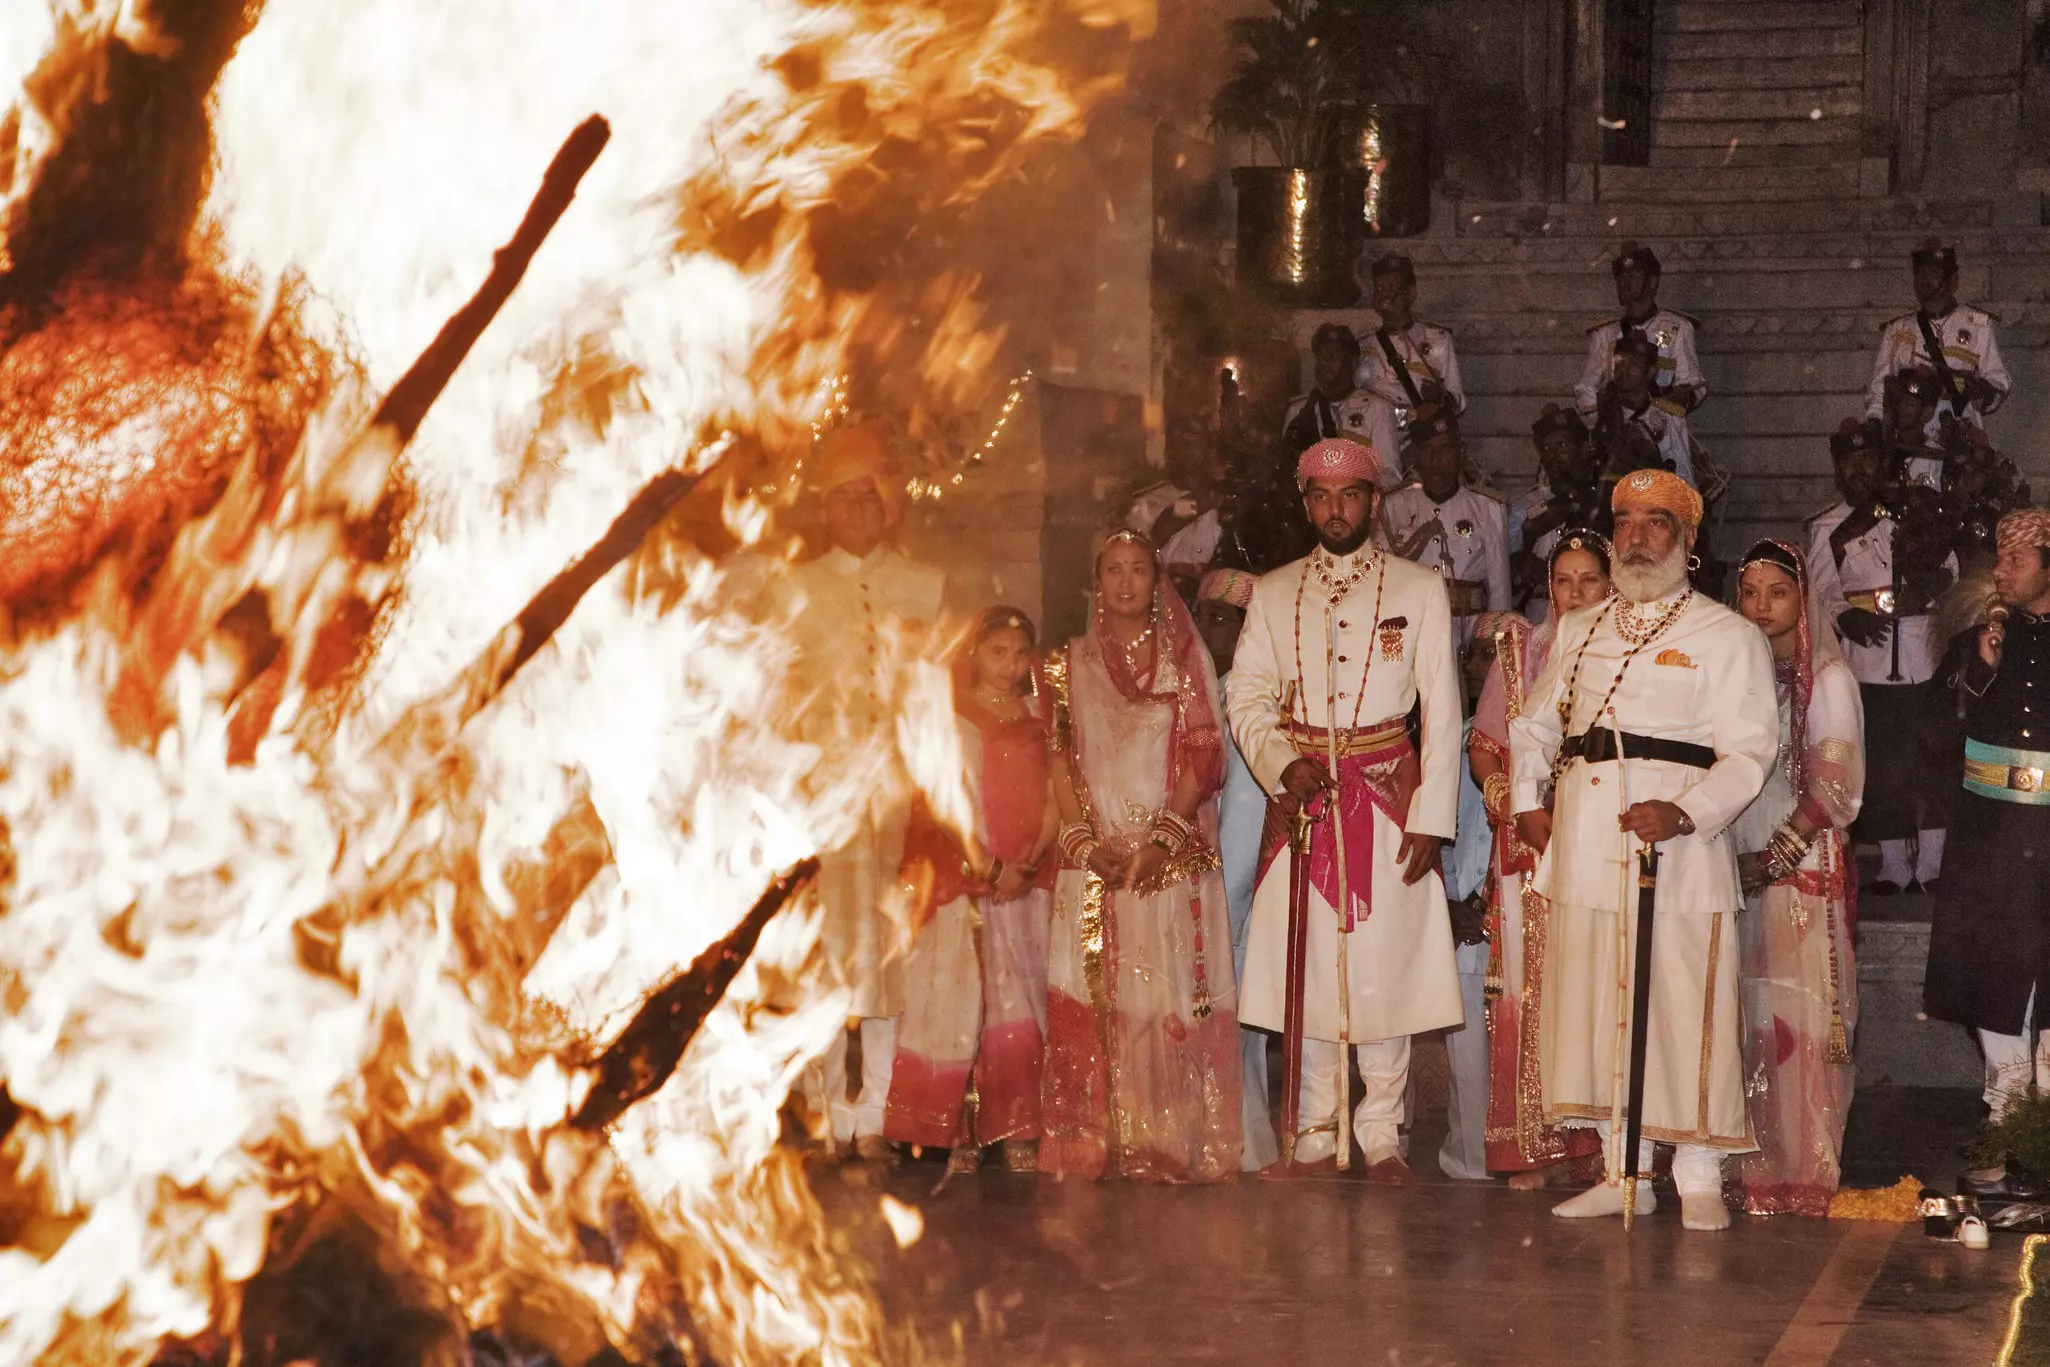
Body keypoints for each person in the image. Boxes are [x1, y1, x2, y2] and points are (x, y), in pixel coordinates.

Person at [1509, 469, 1778, 1231]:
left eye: (1656, 521)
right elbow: (1534, 728)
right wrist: (1530, 804)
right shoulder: (1578, 626)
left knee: (1679, 1003)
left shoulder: (1730, 635)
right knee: (1598, 1002)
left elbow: (1752, 753)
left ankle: (1696, 1171)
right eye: (1624, 519)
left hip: (1682, 852)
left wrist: (1688, 812)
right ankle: (1621, 1166)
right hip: (1588, 843)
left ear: (1687, 540)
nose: (1635, 535)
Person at [1228, 436, 1463, 1184]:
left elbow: (1445, 712)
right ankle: (1310, 1132)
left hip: (1389, 794)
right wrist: (1280, 764)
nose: (1337, 510)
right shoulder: (1273, 591)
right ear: (1307, 505)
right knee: (1309, 970)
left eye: (1351, 496)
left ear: (1373, 502)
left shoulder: (1420, 586)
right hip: (1303, 800)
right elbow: (1247, 697)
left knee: (1383, 964)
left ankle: (1382, 1133)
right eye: (1322, 498)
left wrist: (1432, 817)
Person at [1040, 530, 1242, 1181]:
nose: (1125, 582)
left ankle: (1162, 1143)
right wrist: (1082, 841)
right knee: (1093, 992)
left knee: (1162, 1000)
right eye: (1112, 571)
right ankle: (1090, 1141)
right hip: (1094, 859)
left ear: (1156, 581)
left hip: (1164, 861)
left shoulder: (1181, 662)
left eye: (1138, 570)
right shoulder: (1064, 664)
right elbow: (1057, 759)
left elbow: (1203, 756)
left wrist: (1162, 839)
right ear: (1096, 582)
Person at [770, 421, 948, 1160]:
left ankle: (873, 1117)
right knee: (820, 957)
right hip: (817, 797)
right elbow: (774, 695)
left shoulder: (923, 584)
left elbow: (935, 693)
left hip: (895, 798)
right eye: (841, 496)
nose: (856, 508)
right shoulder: (797, 589)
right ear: (824, 508)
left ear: (887, 503)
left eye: (867, 495)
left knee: (886, 955)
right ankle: (820, 1118)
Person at [886, 607, 1057, 1174]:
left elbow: (1057, 791)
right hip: (964, 877)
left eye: (1020, 653)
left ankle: (1014, 1128)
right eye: (997, 652)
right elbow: (942, 805)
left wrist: (1028, 863)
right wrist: (988, 868)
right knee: (954, 998)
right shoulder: (951, 718)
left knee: (1019, 1001)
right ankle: (947, 1131)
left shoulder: (1042, 713)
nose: (1010, 665)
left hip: (1026, 883)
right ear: (974, 654)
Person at [1469, 533, 1613, 1188]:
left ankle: (1601, 1148)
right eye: (1564, 580)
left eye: (1590, 580)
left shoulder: (1624, 654)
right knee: (1531, 993)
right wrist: (1509, 802)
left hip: (1601, 848)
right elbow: (1485, 745)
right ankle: (1534, 1146)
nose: (1577, 594)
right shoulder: (1519, 651)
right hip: (1528, 847)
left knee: (1596, 989)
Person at [1728, 541, 1865, 1217]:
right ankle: (1752, 1169)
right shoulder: (1735, 677)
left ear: (1801, 599)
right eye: (1749, 592)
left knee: (1799, 1022)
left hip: (1798, 867)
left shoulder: (1828, 677)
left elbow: (1835, 788)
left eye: (1776, 592)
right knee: (1750, 1019)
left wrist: (1771, 861)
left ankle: (1803, 1171)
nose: (1760, 607)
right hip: (1742, 867)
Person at [1925, 509, 2050, 1123]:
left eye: (2017, 561)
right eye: (1998, 559)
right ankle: (2006, 1114)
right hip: (1989, 836)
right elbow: (1931, 741)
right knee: (1991, 968)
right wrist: (1979, 672)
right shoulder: (1974, 643)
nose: (1999, 572)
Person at [1806, 419, 1954, 895]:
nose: (1860, 469)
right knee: (1883, 764)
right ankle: (1893, 863)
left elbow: (1951, 565)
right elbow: (1818, 589)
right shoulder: (1830, 526)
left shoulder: (1916, 512)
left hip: (1922, 653)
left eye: (1868, 458)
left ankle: (1931, 861)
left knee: (1932, 759)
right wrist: (1845, 615)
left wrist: (1931, 588)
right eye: (1850, 461)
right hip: (1868, 662)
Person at [1200, 566, 1285, 1170]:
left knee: (1237, 1005)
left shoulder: (1258, 698)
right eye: (1201, 616)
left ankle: (1245, 1140)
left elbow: (1251, 807)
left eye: (1222, 620)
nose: (1208, 630)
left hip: (1239, 876)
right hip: (1201, 872)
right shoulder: (1201, 688)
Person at [1378, 409, 1513, 653]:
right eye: (1427, 450)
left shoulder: (1488, 508)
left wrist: (1490, 651)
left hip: (1468, 639)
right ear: (1415, 457)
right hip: (1410, 636)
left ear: (1460, 453)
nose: (1435, 460)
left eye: (1444, 450)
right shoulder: (1392, 507)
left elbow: (1499, 591)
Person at [1865, 239, 2008, 432]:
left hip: (1958, 432)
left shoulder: (1978, 325)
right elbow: (1880, 388)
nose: (1925, 280)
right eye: (1919, 274)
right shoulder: (1898, 329)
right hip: (1910, 434)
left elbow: (1998, 380)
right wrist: (1876, 423)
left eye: (1933, 273)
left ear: (1954, 280)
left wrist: (1979, 390)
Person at [1575, 241, 1706, 425]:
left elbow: (1692, 385)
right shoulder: (1605, 335)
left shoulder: (1675, 328)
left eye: (1633, 275)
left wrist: (1656, 411)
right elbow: (1585, 387)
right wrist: (1605, 418)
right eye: (1620, 277)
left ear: (1652, 281)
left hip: (1664, 432)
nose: (1624, 282)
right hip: (1617, 428)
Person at [1356, 252, 1465, 465]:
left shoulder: (1437, 339)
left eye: (1391, 287)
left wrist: (1440, 397)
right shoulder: (1363, 346)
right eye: (1379, 288)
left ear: (1410, 294)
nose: (1384, 294)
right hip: (1377, 445)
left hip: (1422, 443)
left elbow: (1459, 400)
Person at [1512, 405, 1605, 621]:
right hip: (1538, 618)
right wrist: (1522, 562)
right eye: (1546, 449)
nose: (1554, 456)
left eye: (1562, 445)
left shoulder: (1603, 505)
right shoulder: (1523, 508)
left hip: (1591, 617)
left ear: (1583, 449)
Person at [1282, 323, 1402, 490]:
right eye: (1320, 357)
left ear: (1352, 363)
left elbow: (1391, 476)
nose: (1324, 363)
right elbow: (1286, 470)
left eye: (1332, 356)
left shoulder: (1377, 409)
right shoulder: (1299, 411)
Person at [1592, 334, 1699, 489]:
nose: (1625, 369)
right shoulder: (1603, 411)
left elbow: (1682, 474)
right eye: (1620, 361)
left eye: (1635, 363)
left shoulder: (1667, 414)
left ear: (1650, 372)